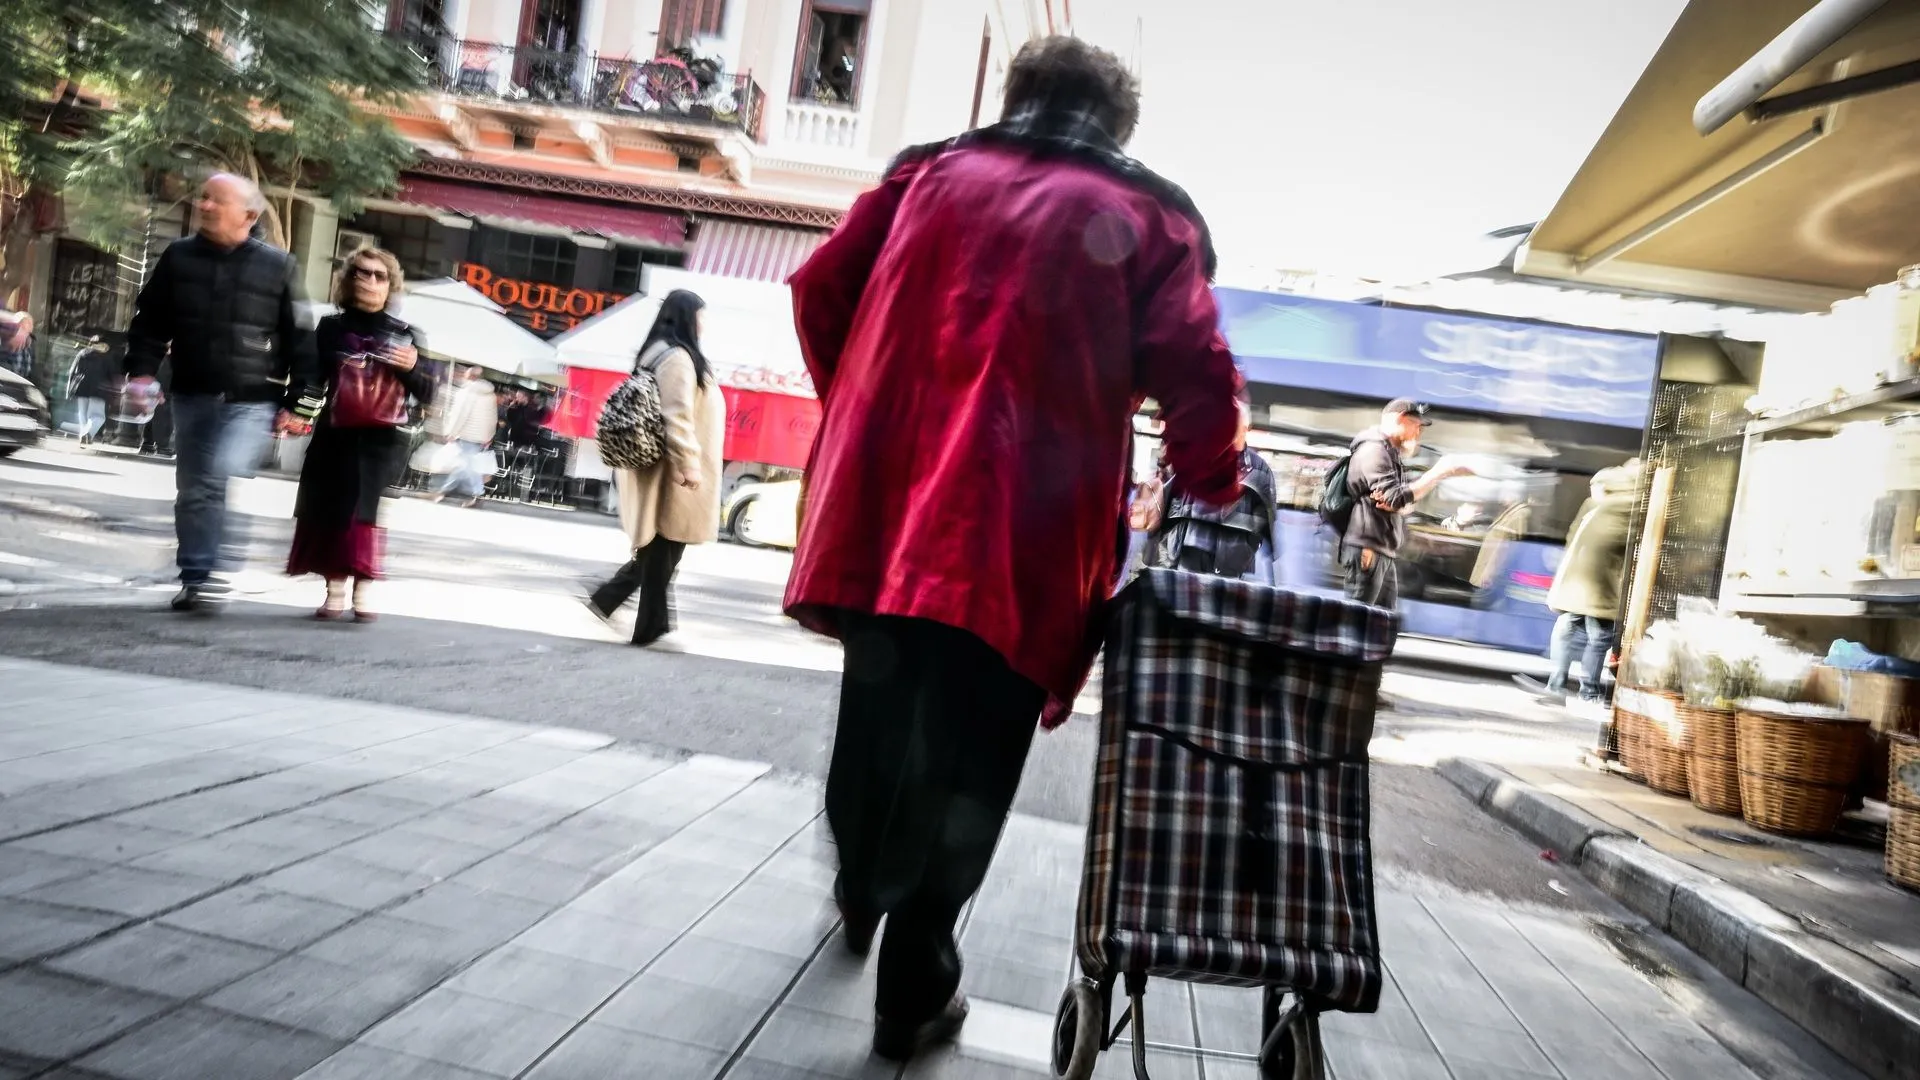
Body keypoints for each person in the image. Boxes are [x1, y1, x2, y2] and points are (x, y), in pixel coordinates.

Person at [783, 36, 1241, 1061]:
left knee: (879, 704)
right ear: (1114, 123)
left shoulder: (924, 174)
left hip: (889, 502)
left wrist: (868, 409)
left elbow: (820, 293)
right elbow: (1199, 372)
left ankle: (862, 882)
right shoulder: (1150, 215)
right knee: (975, 748)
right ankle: (916, 975)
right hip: (1025, 527)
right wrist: (1213, 478)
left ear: (1016, 95)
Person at [124, 172, 317, 612]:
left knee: (216, 472)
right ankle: (197, 578)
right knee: (194, 489)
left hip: (252, 401)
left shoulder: (278, 266)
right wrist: (141, 373)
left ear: (248, 215)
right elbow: (149, 322)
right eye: (204, 198)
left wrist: (301, 405)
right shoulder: (178, 257)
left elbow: (302, 343)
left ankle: (217, 560)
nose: (204, 205)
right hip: (192, 394)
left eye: (216, 200)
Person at [287, 248, 433, 622]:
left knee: (363, 512)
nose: (370, 282)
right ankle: (334, 589)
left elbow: (429, 392)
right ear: (348, 280)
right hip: (334, 432)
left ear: (391, 285)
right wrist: (295, 414)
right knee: (329, 509)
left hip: (380, 437)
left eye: (379, 276)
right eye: (362, 274)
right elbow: (311, 381)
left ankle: (363, 587)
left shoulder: (405, 335)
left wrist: (414, 368)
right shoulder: (330, 328)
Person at [584, 290, 724, 645]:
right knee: (664, 547)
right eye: (702, 316)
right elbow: (677, 417)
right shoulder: (677, 358)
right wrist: (689, 465)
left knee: (662, 549)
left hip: (665, 468)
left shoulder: (660, 352)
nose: (705, 324)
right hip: (672, 472)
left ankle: (617, 603)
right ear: (687, 317)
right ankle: (647, 625)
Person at [1517, 460, 1641, 705]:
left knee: (1567, 628)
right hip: (1604, 583)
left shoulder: (1595, 501)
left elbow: (1573, 535)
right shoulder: (1637, 506)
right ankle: (1589, 692)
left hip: (1576, 578)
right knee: (1598, 636)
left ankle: (1557, 685)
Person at [1342, 398, 1473, 609]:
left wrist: (1399, 500)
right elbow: (1395, 498)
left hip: (1382, 550)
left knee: (1383, 623)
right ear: (1401, 419)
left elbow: (1399, 502)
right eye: (1417, 425)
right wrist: (1439, 473)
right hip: (1369, 548)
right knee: (1358, 618)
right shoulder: (1374, 451)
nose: (1419, 433)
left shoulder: (1389, 453)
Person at [1146, 395, 1280, 581]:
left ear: (1245, 428)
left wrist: (1246, 549)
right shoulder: (1202, 453)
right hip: (1187, 549)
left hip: (1227, 562)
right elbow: (1170, 497)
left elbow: (1268, 518)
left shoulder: (1259, 469)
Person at [432, 365, 498, 507]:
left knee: (466, 466)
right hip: (480, 437)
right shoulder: (490, 394)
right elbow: (493, 417)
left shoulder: (467, 392)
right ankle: (444, 491)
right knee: (465, 465)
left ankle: (475, 493)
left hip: (467, 434)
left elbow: (460, 415)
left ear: (470, 377)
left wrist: (451, 432)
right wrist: (489, 435)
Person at [64, 337, 119, 446]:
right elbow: (112, 375)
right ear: (103, 345)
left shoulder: (82, 353)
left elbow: (72, 372)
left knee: (82, 415)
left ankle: (84, 437)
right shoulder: (106, 357)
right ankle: (87, 433)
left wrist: (68, 391)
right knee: (98, 416)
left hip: (81, 388)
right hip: (98, 390)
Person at [1, 309, 35, 384]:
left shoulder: (30, 344)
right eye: (27, 323)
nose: (31, 326)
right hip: (8, 382)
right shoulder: (8, 339)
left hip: (23, 383)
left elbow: (31, 366)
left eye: (31, 324)